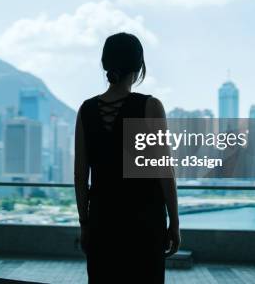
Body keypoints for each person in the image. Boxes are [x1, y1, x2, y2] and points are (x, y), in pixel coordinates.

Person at [74, 32, 180, 284]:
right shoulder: (150, 107)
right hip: (144, 222)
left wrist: (85, 224)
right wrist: (174, 222)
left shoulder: (86, 110)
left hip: (103, 221)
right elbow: (164, 172)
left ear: (105, 65)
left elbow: (80, 176)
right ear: (139, 66)